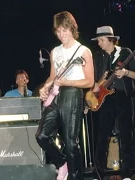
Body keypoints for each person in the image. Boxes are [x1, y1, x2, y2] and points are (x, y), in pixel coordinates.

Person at [35, 11, 94, 180]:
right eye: (58, 31)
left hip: (72, 94)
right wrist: (45, 86)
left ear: (72, 28)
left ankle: (76, 177)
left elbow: (89, 81)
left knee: (70, 142)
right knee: (42, 136)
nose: (62, 35)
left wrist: (67, 82)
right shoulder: (55, 51)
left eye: (65, 30)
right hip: (56, 94)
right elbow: (53, 76)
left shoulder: (83, 51)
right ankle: (62, 163)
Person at [91, 26, 135, 178]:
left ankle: (128, 172)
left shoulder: (126, 52)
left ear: (111, 40)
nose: (99, 43)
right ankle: (99, 172)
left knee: (126, 134)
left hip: (123, 96)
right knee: (103, 134)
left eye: (101, 40)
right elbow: (93, 79)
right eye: (98, 40)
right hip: (105, 99)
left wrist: (126, 72)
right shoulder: (97, 56)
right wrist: (94, 86)